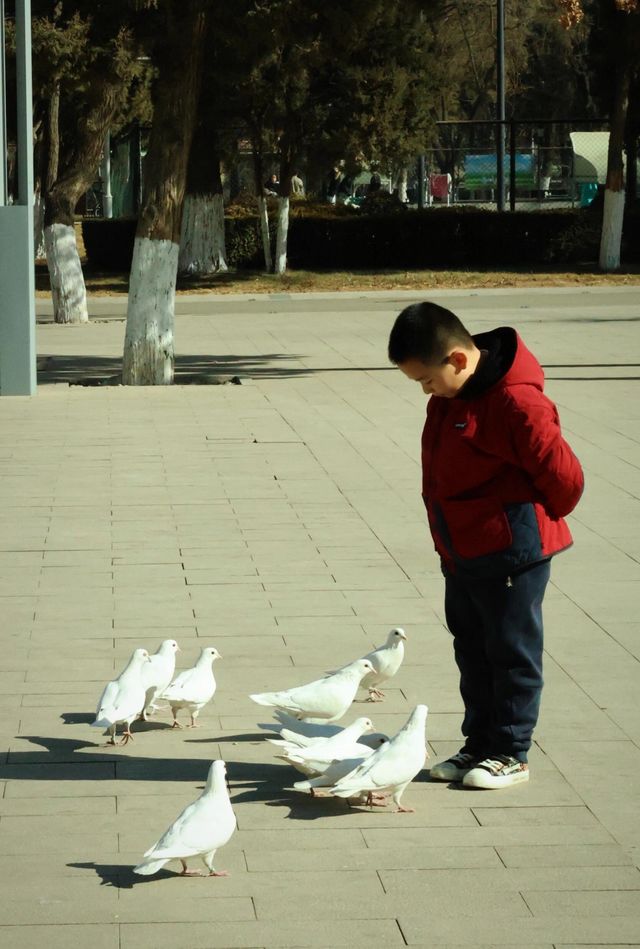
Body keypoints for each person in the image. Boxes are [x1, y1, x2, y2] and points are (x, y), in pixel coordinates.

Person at [388, 302, 584, 790]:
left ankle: (511, 752)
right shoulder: (449, 398)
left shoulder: (518, 403)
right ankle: (479, 743)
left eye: (426, 380)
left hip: (513, 550)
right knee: (472, 651)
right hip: (462, 550)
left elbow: (566, 481)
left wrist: (524, 520)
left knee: (511, 652)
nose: (425, 391)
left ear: (457, 359)